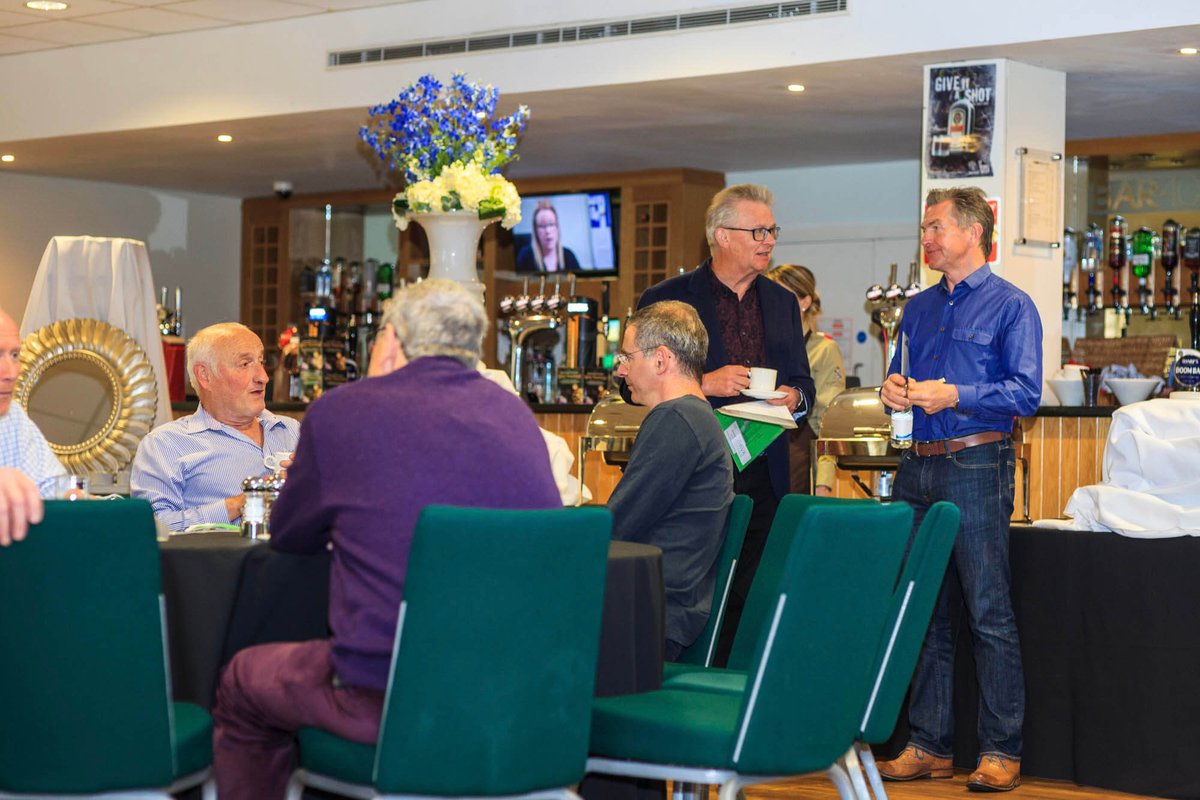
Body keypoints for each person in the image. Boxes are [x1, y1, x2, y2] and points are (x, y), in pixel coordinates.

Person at [211, 279, 562, 800]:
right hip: (513, 695)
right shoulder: (516, 416)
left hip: (389, 695)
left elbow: (289, 534)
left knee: (243, 678)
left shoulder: (344, 411)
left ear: (393, 340)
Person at [876, 187, 1042, 793]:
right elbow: (898, 380)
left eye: (936, 227)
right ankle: (929, 744)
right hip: (916, 466)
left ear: (974, 232)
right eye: (925, 228)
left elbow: (1026, 394)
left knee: (987, 611)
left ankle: (1001, 749)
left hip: (976, 464)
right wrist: (893, 392)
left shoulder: (1012, 306)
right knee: (922, 608)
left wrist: (956, 395)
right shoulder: (917, 309)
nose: (927, 238)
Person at [633, 183, 813, 665]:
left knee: (750, 596)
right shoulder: (668, 298)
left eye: (772, 231)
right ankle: (681, 681)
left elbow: (805, 383)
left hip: (765, 470)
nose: (768, 241)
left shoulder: (781, 301)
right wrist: (703, 383)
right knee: (693, 588)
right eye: (758, 231)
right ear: (721, 236)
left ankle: (733, 686)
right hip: (693, 468)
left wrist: (795, 398)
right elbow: (630, 380)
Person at [609, 300, 734, 661]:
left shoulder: (676, 419)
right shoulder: (697, 417)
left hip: (646, 615)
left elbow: (617, 525)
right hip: (662, 607)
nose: (621, 370)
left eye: (627, 357)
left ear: (661, 360)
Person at [130, 322, 300, 531]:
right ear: (205, 375)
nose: (263, 377)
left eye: (261, 362)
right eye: (245, 364)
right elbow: (150, 528)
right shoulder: (165, 445)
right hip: (224, 553)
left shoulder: (293, 431)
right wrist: (241, 503)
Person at [766, 264, 845, 495]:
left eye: (782, 297)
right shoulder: (761, 345)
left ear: (805, 302)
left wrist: (823, 482)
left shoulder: (824, 349)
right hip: (758, 455)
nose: (773, 305)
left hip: (797, 458)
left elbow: (828, 422)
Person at [0, 307, 66, 497]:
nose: (12, 373)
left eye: (15, 355)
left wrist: (73, 498)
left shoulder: (12, 417)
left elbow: (52, 488)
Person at [516, 201, 581, 273]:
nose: (547, 231)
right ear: (535, 231)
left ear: (557, 227)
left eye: (551, 224)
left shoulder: (568, 256)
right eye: (542, 226)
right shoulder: (526, 256)